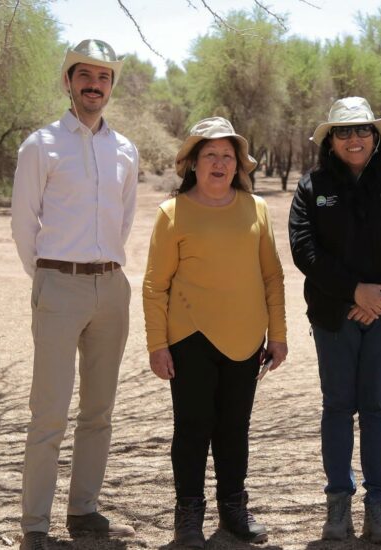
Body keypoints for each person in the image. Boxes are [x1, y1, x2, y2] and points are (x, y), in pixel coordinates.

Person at [11, 39, 138, 550]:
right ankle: (35, 526)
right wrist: (48, 278)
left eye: (104, 77)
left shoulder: (123, 149)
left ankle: (83, 509)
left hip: (112, 287)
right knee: (49, 413)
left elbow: (124, 220)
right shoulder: (40, 145)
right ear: (68, 82)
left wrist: (102, 268)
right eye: (85, 76)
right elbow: (24, 223)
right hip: (58, 285)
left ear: (111, 85)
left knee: (99, 410)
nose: (94, 85)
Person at [289, 97, 381, 543]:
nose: (354, 138)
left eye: (362, 130)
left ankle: (378, 509)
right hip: (334, 317)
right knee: (336, 408)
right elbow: (304, 250)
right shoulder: (312, 188)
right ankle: (337, 508)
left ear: (377, 137)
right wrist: (354, 292)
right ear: (330, 140)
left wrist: (379, 297)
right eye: (344, 131)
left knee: (376, 410)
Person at [143, 117, 288, 548]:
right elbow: (155, 286)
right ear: (194, 163)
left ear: (238, 164)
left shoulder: (256, 209)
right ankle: (188, 514)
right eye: (211, 156)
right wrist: (157, 345)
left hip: (246, 340)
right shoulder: (172, 213)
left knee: (234, 428)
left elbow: (272, 277)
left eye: (228, 156)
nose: (220, 164)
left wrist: (277, 335)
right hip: (190, 339)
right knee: (192, 427)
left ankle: (233, 510)